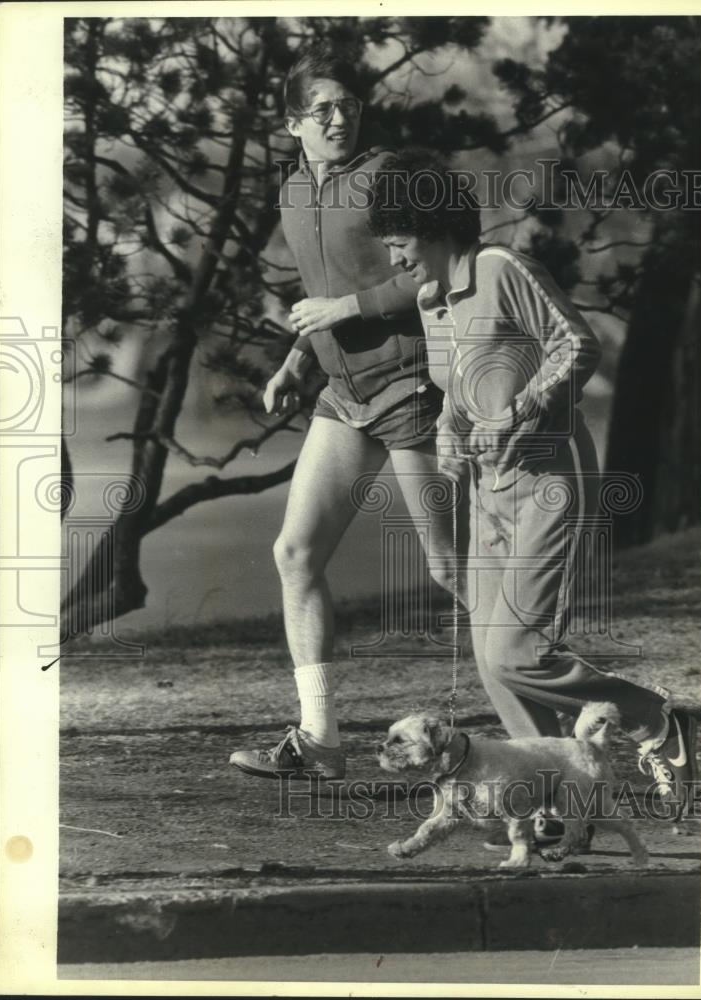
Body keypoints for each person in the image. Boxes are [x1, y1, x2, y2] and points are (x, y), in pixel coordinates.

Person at [367, 147, 698, 810]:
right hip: (488, 494)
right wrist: (449, 439)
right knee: (493, 665)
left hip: (550, 482)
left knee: (516, 653)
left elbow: (577, 344)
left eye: (399, 243)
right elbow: (452, 401)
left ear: (432, 230)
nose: (395, 260)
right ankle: (551, 800)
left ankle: (653, 721)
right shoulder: (434, 302)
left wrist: (520, 408)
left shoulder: (499, 268)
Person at [230, 52, 465, 782]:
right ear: (292, 121)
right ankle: (320, 740)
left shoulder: (387, 172)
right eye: (323, 107)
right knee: (294, 555)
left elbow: (440, 265)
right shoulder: (293, 190)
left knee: (450, 566)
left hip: (409, 389)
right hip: (341, 393)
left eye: (349, 105)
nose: (340, 117)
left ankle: (569, 720)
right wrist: (298, 361)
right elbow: (319, 290)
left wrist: (348, 310)